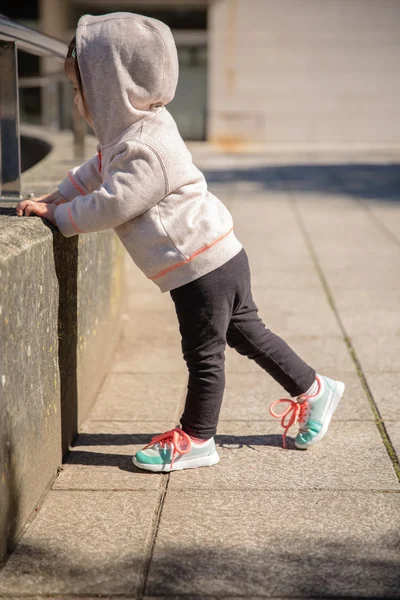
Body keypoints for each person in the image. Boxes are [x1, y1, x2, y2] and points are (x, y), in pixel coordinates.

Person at [16, 12, 345, 473]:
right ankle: (314, 389)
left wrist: (60, 216)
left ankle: (197, 438)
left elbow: (114, 202)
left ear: (115, 87)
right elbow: (96, 171)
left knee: (203, 354)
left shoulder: (147, 146)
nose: (76, 100)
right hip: (215, 254)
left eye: (80, 89)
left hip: (200, 266)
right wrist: (59, 194)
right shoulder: (132, 133)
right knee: (248, 334)